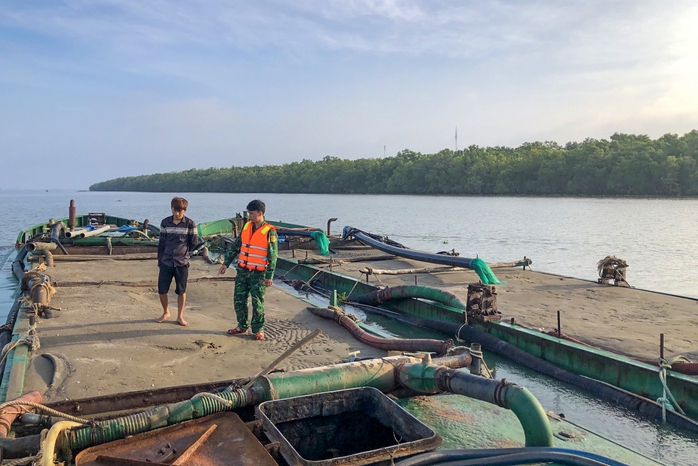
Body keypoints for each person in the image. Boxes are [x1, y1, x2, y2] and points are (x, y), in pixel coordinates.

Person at [218, 199, 278, 340]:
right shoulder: (246, 227)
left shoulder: (270, 231)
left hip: (258, 273)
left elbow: (273, 255)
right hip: (243, 271)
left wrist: (269, 275)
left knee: (257, 302)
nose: (249, 216)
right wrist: (226, 263)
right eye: (249, 213)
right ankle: (242, 326)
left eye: (252, 213)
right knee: (239, 299)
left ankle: (259, 329)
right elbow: (236, 246)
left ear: (260, 213)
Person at [157, 196, 199, 327]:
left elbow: (194, 243)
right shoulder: (165, 223)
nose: (176, 213)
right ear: (171, 209)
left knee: (181, 290)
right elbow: (162, 243)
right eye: (174, 210)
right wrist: (160, 260)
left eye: (179, 211)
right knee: (162, 290)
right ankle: (166, 312)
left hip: (182, 262)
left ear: (185, 210)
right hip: (166, 261)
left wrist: (184, 253)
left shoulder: (190, 224)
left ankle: (180, 316)